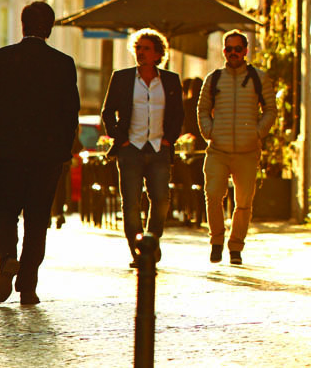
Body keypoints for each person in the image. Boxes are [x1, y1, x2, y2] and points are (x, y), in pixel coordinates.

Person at [0, 1, 80, 305]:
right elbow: (70, 111)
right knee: (37, 219)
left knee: (5, 211)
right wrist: (61, 147)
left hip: (8, 151)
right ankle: (28, 284)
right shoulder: (63, 63)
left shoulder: (1, 57)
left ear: (22, 25)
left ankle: (7, 257)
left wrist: (5, 117)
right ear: (48, 28)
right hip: (46, 156)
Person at [101, 28, 184, 268]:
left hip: (159, 147)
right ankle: (137, 251)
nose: (140, 53)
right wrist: (119, 138)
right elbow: (107, 112)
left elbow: (178, 114)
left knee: (161, 200)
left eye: (146, 49)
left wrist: (170, 139)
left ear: (158, 54)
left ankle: (152, 241)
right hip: (131, 149)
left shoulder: (169, 80)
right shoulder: (122, 78)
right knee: (131, 203)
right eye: (138, 48)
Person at [197, 30, 275, 265]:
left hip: (247, 151)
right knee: (212, 195)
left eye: (237, 49)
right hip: (218, 150)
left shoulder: (258, 78)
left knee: (243, 202)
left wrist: (257, 132)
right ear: (224, 51)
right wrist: (209, 132)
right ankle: (217, 242)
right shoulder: (214, 78)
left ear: (245, 51)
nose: (233, 53)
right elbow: (202, 109)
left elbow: (271, 109)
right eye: (229, 49)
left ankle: (236, 247)